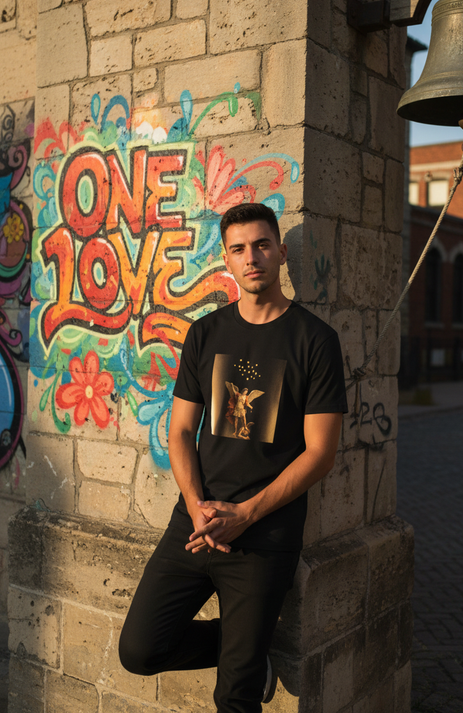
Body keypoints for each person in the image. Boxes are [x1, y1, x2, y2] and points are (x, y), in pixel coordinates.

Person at [119, 202, 347, 713]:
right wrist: (198, 506)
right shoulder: (206, 333)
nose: (252, 258)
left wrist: (245, 514)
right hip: (196, 525)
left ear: (281, 253)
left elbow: (321, 453)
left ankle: (245, 656)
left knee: (236, 696)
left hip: (264, 535)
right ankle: (243, 646)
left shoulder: (316, 341)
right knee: (138, 649)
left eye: (262, 245)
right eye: (239, 249)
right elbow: (180, 432)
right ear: (227, 259)